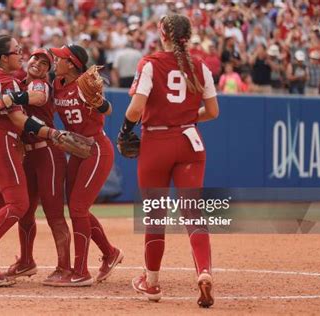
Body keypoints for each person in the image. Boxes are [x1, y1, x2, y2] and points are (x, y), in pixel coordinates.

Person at [118, 14, 219, 306]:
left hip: (157, 143)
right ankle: (203, 273)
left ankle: (151, 284)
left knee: (155, 216)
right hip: (190, 141)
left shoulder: (150, 63)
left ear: (162, 34)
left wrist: (125, 129)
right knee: (193, 213)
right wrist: (186, 118)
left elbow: (136, 108)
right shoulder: (200, 66)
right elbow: (212, 111)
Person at [0, 35, 66, 286]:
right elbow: (19, 121)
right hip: (0, 141)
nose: (22, 55)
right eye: (18, 52)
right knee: (18, 204)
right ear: (3, 57)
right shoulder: (7, 80)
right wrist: (51, 132)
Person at [48, 44, 124, 286]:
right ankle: (110, 253)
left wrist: (98, 101)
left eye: (58, 58)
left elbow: (109, 109)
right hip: (78, 149)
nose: (54, 60)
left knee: (78, 208)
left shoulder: (83, 84)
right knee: (76, 207)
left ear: (70, 63)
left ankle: (81, 271)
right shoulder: (56, 83)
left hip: (96, 149)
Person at [2, 48, 73, 286]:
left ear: (49, 70)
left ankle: (65, 267)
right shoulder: (19, 82)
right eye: (36, 59)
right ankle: (26, 260)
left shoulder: (40, 84)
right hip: (30, 155)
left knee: (53, 212)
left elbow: (39, 98)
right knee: (25, 210)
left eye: (45, 63)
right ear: (27, 59)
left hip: (48, 152)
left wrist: (10, 98)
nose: (39, 65)